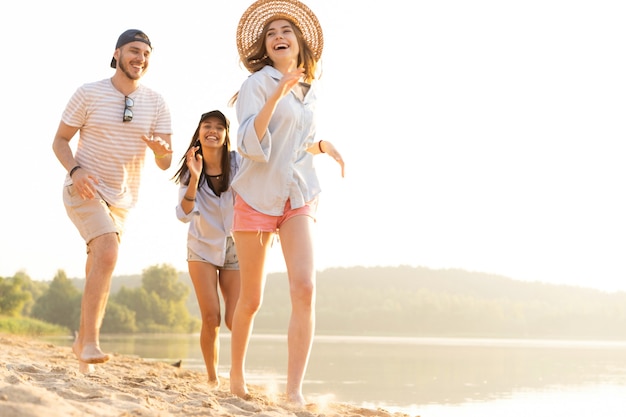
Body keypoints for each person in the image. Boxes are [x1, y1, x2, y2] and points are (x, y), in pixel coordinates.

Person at [228, 0, 345, 406]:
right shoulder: (256, 84)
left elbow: (293, 145)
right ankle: (236, 374)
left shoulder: (309, 91)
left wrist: (320, 145)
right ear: (265, 44)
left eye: (286, 31)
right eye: (272, 32)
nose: (278, 36)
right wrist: (276, 93)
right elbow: (248, 141)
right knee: (252, 298)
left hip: (298, 193)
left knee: (306, 287)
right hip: (257, 196)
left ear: (299, 44)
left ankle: (294, 390)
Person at [52, 29, 173, 374]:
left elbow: (165, 162)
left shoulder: (157, 102)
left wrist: (162, 154)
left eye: (146, 54)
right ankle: (90, 341)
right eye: (134, 51)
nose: (141, 58)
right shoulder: (88, 93)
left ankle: (81, 343)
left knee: (99, 264)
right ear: (117, 53)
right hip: (84, 188)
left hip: (123, 202)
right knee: (107, 251)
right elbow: (60, 141)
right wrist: (75, 170)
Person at [172, 110, 241, 389]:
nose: (212, 131)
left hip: (236, 246)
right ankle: (213, 379)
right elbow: (183, 213)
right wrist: (194, 178)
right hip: (201, 246)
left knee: (235, 319)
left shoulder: (238, 162)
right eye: (206, 126)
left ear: (226, 136)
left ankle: (238, 373)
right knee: (211, 317)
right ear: (199, 133)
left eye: (219, 127)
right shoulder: (191, 167)